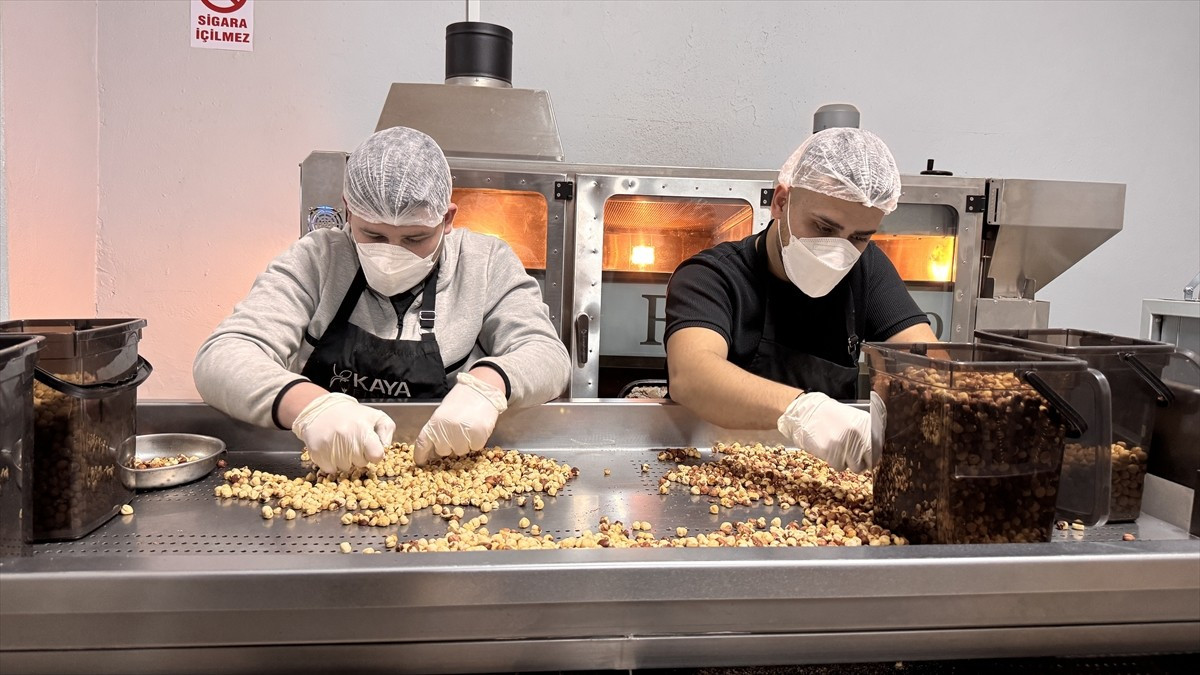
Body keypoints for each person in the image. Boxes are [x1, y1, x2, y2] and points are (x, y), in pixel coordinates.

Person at [194, 126, 570, 473]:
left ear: (447, 219)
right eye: (373, 236)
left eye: (415, 238)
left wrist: (488, 385)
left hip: (443, 469)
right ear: (348, 211)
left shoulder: (484, 263)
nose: (393, 254)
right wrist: (308, 405)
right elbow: (223, 356)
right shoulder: (317, 260)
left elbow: (547, 354)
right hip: (326, 470)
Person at [664, 128, 937, 473]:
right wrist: (803, 412)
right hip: (720, 460)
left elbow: (927, 364)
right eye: (824, 228)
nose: (839, 251)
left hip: (832, 472)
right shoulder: (712, 276)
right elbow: (692, 375)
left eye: (858, 237)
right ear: (781, 202)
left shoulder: (867, 269)